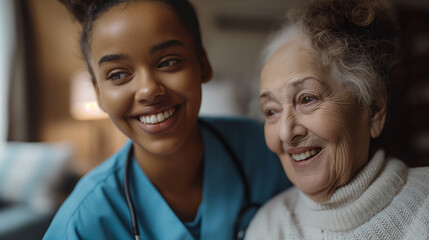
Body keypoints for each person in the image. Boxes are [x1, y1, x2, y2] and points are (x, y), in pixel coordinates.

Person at [43, 0, 292, 239]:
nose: (148, 90)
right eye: (118, 74)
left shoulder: (271, 151)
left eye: (168, 62)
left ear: (203, 63)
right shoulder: (81, 225)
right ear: (98, 93)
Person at [245, 0, 429, 239]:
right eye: (271, 111)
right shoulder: (267, 228)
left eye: (307, 99)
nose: (285, 133)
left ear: (373, 109)